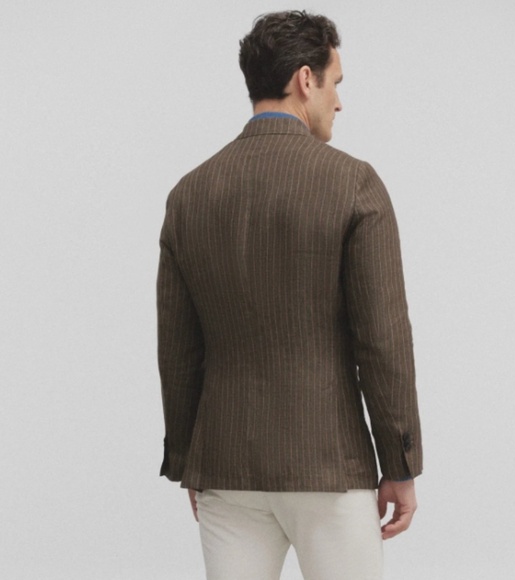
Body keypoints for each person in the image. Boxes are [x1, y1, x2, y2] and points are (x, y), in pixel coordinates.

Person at [157, 10, 422, 580]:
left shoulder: (189, 194)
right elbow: (382, 340)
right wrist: (400, 463)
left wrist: (187, 459)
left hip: (225, 466)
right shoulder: (353, 184)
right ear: (305, 79)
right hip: (329, 466)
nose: (339, 102)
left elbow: (177, 349)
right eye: (335, 83)